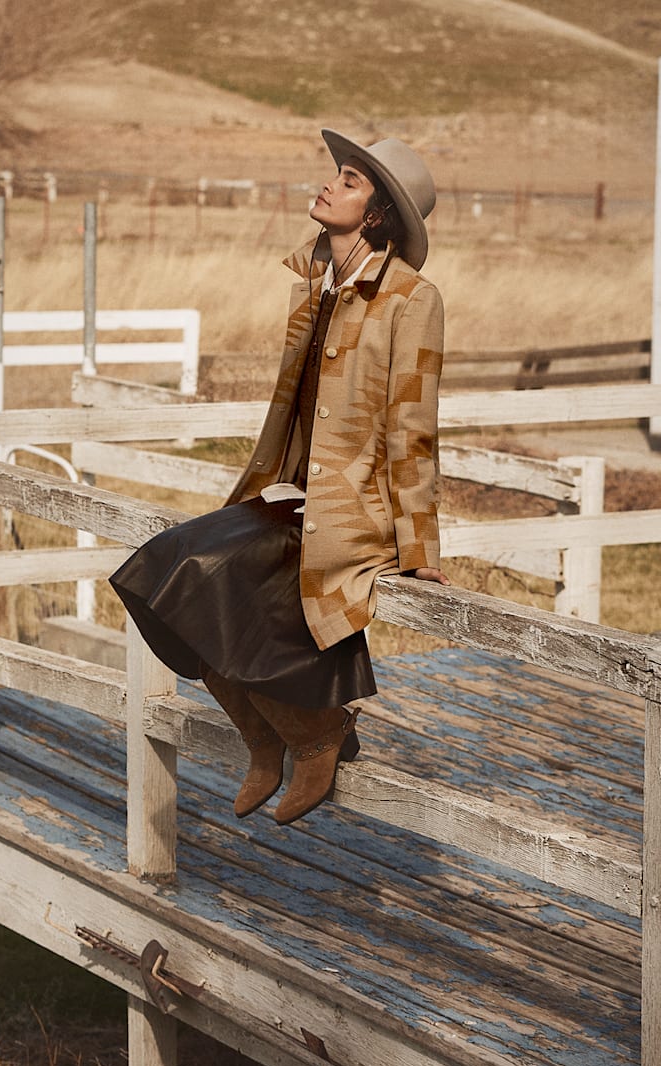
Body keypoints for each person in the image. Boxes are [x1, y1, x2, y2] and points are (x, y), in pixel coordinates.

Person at [111, 129, 448, 825]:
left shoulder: (411, 299)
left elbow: (411, 427)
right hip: (289, 493)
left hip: (351, 505)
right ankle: (259, 734)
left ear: (378, 214)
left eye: (351, 181)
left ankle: (316, 735)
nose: (330, 184)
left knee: (222, 571)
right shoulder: (312, 283)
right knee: (158, 571)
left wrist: (419, 549)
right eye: (338, 174)